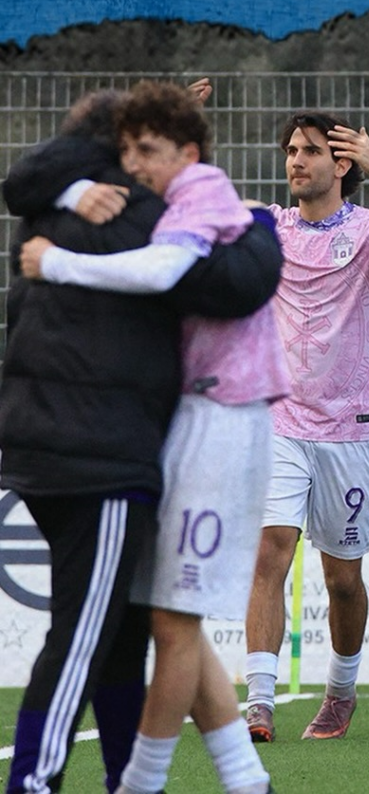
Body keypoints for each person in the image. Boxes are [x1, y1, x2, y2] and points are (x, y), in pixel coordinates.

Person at [0, 89, 282, 794]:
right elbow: (224, 279)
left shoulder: (44, 214)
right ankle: (78, 781)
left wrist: (62, 214)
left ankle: (226, 779)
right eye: (128, 151)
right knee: (125, 626)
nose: (136, 164)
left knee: (148, 620)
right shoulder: (142, 215)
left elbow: (25, 182)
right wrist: (261, 233)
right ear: (107, 154)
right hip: (112, 454)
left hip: (70, 447)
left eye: (147, 150)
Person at [243, 109, 369, 742]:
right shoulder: (270, 227)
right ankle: (259, 702)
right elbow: (197, 211)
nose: (296, 160)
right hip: (279, 420)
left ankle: (341, 691)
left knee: (342, 579)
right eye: (291, 150)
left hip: (352, 429)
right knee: (270, 551)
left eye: (309, 151)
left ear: (341, 165)